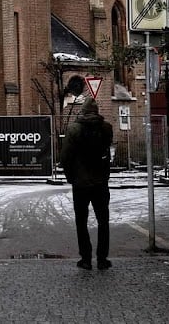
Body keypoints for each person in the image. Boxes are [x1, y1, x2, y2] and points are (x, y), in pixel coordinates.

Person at [60, 98, 114, 271]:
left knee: (81, 222)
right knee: (103, 221)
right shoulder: (106, 128)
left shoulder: (74, 129)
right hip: (100, 182)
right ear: (96, 111)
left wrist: (71, 176)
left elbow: (65, 157)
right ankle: (102, 259)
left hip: (81, 183)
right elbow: (106, 152)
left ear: (82, 111)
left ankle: (86, 259)